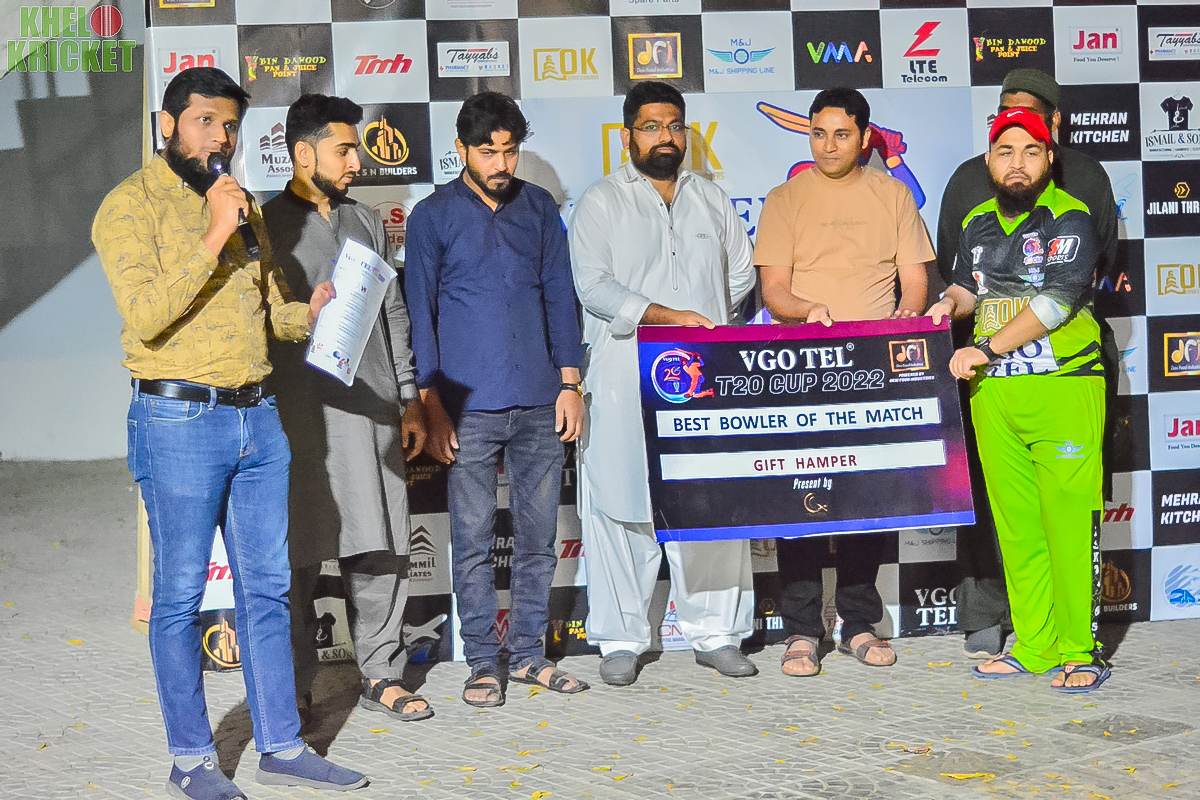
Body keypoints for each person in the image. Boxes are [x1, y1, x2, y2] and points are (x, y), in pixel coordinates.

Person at [92, 68, 366, 799]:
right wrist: (214, 231)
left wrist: (311, 312)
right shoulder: (128, 206)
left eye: (231, 126)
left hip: (258, 418)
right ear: (168, 124)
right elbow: (146, 314)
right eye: (204, 121)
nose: (219, 138)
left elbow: (272, 313)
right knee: (180, 598)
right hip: (178, 419)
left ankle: (281, 744)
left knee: (268, 590)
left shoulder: (240, 203)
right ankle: (191, 760)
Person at [569, 81, 758, 686]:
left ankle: (717, 633)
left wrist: (703, 328)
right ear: (628, 136)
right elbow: (592, 286)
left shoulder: (712, 199)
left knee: (708, 500)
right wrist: (667, 317)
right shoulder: (601, 201)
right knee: (621, 505)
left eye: (675, 126)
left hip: (702, 378)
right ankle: (621, 639)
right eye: (651, 127)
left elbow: (738, 278)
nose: (665, 138)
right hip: (623, 376)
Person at [404, 91, 588, 708]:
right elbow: (420, 314)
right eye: (488, 152)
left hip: (541, 400)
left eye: (510, 151)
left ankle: (531, 656)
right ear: (461, 149)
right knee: (473, 541)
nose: (501, 163)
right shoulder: (431, 216)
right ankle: (483, 663)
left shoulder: (538, 207)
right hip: (464, 409)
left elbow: (560, 298)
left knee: (538, 539)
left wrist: (570, 384)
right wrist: (430, 402)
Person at [935, 68, 1118, 660]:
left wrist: (986, 348)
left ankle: (1078, 651)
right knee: (1016, 529)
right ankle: (1035, 646)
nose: (1017, 163)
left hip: (1063, 389)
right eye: (1005, 151)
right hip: (995, 396)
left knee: (1068, 525)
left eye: (1030, 151)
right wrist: (947, 306)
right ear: (989, 159)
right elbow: (969, 287)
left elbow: (1057, 300)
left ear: (1049, 156)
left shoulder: (1071, 215)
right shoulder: (975, 220)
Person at [261, 94, 432, 725]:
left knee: (381, 546)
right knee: (297, 556)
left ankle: (381, 671)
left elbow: (393, 312)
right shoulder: (265, 225)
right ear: (303, 154)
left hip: (373, 411)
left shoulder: (365, 220)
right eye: (344, 149)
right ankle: (295, 685)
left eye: (356, 148)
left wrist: (408, 398)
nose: (357, 161)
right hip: (298, 418)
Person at [754, 87, 933, 677]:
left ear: (863, 137)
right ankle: (802, 630)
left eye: (841, 134)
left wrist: (908, 316)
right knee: (798, 495)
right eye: (818, 133)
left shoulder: (893, 194)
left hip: (876, 369)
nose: (828, 146)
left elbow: (914, 281)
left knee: (867, 498)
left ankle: (858, 622)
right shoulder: (785, 198)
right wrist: (807, 311)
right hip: (802, 367)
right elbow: (774, 290)